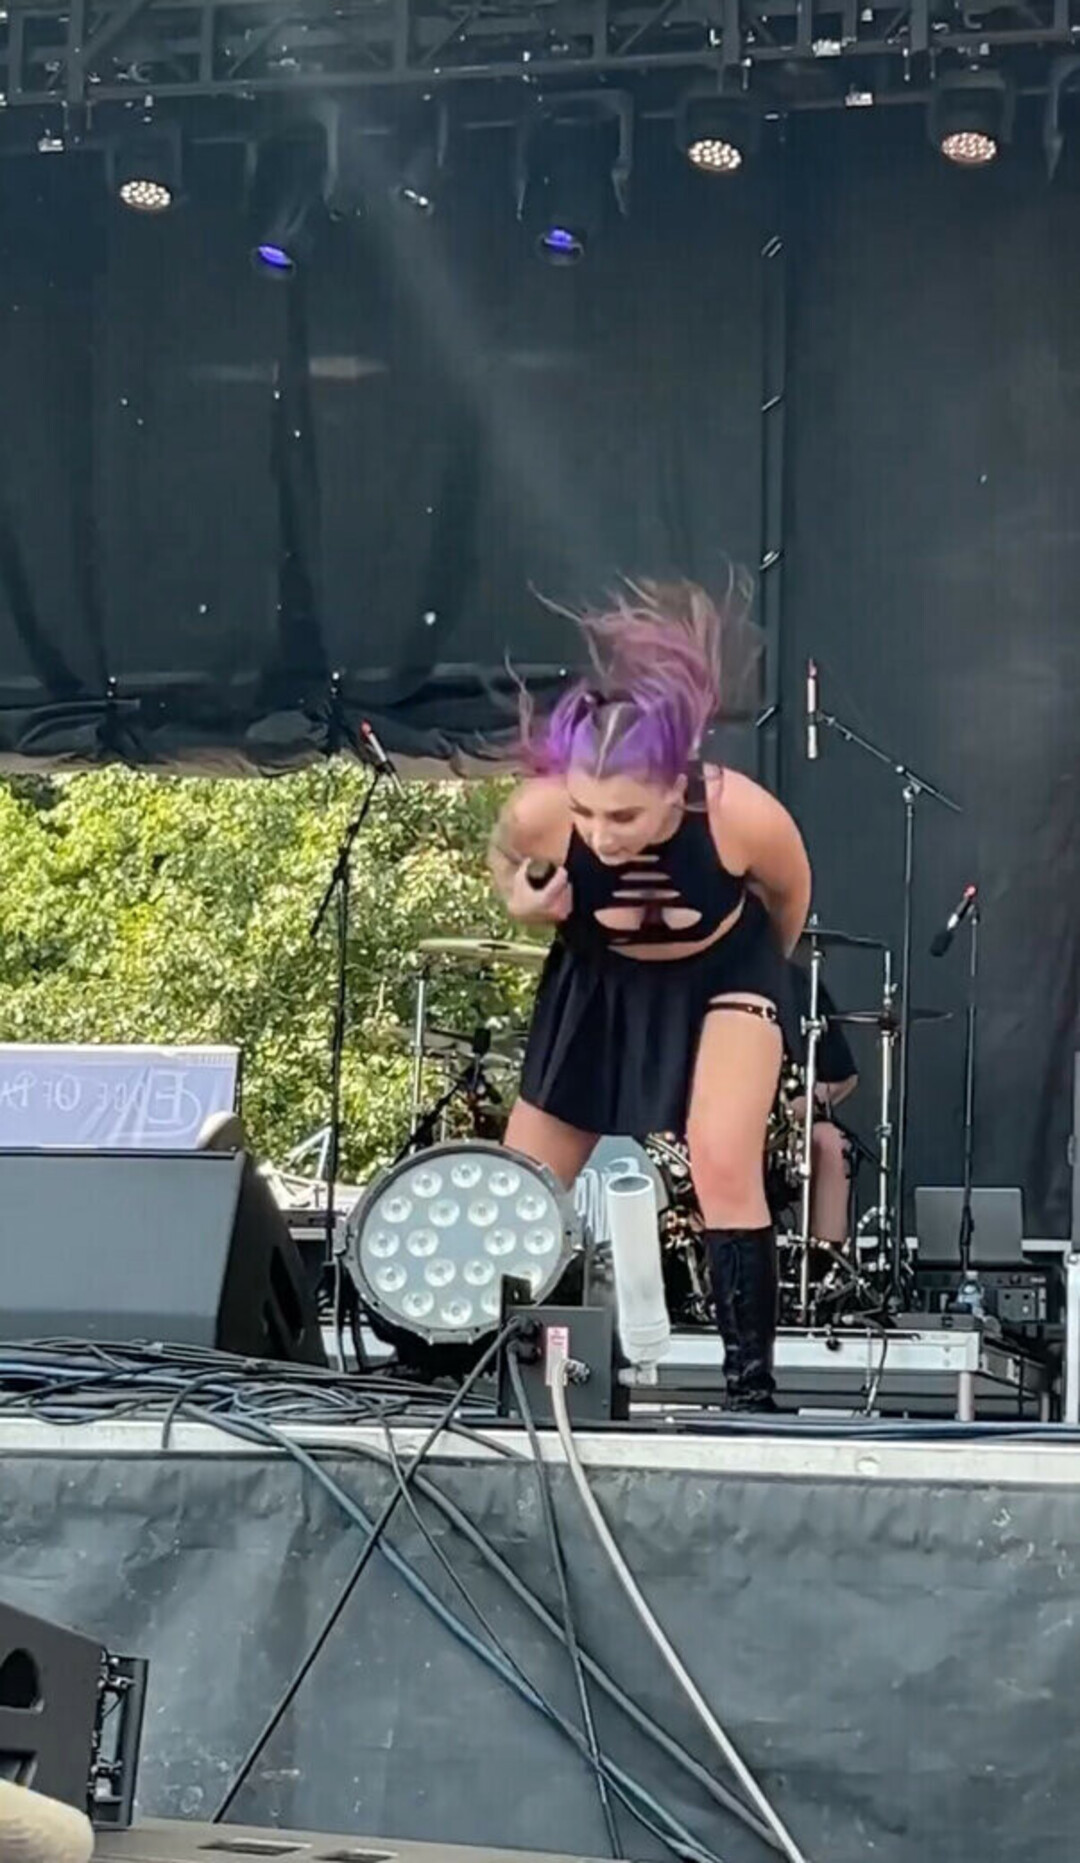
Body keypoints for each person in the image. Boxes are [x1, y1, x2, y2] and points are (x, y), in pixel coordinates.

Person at [489, 579, 811, 1410]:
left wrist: (757, 994)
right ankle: (496, 1366)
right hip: (598, 974)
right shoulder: (541, 810)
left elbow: (789, 897)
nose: (601, 835)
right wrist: (521, 897)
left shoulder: (742, 815)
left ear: (675, 784)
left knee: (722, 1154)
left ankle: (751, 1388)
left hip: (723, 968)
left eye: (625, 816)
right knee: (523, 1180)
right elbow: (504, 856)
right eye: (588, 812)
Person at [787, 963, 859, 1248]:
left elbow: (844, 1078)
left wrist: (801, 1106)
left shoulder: (798, 985)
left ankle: (824, 1263)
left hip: (784, 1124)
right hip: (716, 1119)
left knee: (830, 1142)